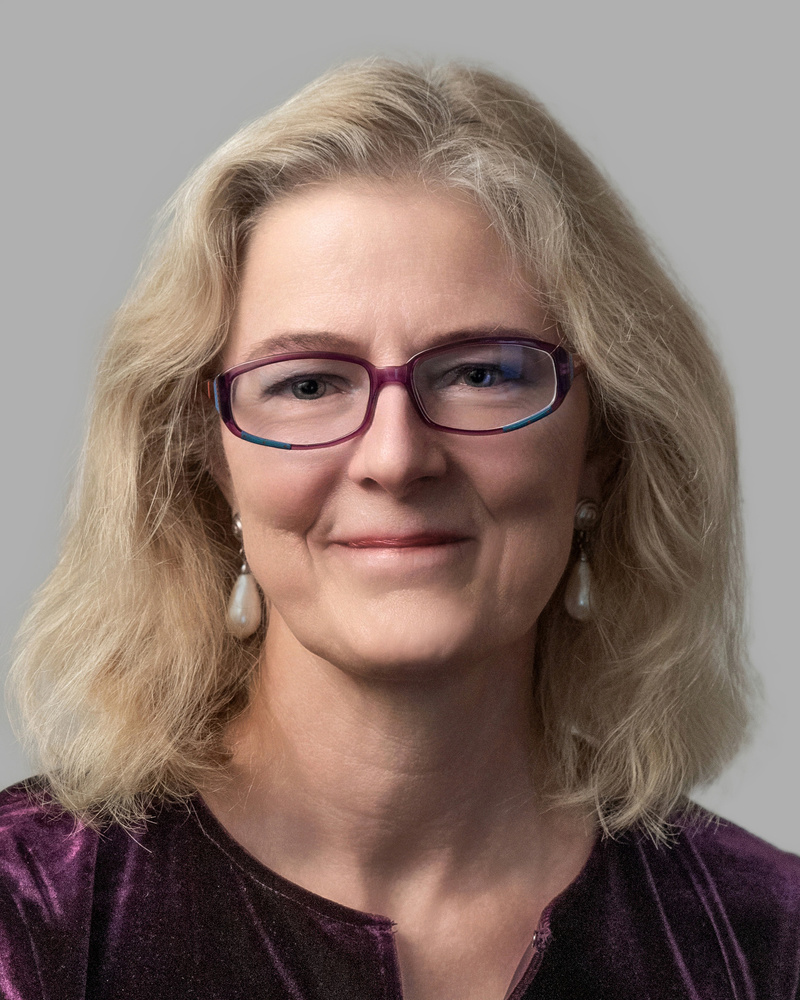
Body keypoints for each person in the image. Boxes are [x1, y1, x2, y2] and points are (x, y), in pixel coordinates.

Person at [1, 59, 798, 1000]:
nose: (395, 456)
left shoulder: (768, 943)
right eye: (307, 383)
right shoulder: (30, 917)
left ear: (601, 445)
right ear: (211, 462)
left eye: (481, 373)